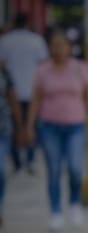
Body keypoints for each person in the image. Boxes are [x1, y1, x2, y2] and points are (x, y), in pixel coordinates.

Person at [26, 27, 88, 230]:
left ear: (70, 48)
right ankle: (56, 211)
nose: (58, 50)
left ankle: (75, 203)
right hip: (50, 125)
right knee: (54, 169)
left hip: (76, 125)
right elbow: (36, 100)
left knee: (76, 168)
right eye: (54, 46)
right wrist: (29, 126)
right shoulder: (43, 70)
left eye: (62, 45)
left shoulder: (79, 68)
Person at [0, 12, 49, 176]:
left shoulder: (5, 41)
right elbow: (44, 64)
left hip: (11, 91)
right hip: (31, 90)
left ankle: (17, 162)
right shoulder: (36, 41)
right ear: (28, 23)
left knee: (13, 127)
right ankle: (30, 158)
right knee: (31, 126)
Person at [0, 61, 24, 226]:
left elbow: (14, 100)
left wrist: (20, 127)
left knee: (0, 170)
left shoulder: (5, 75)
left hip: (3, 129)